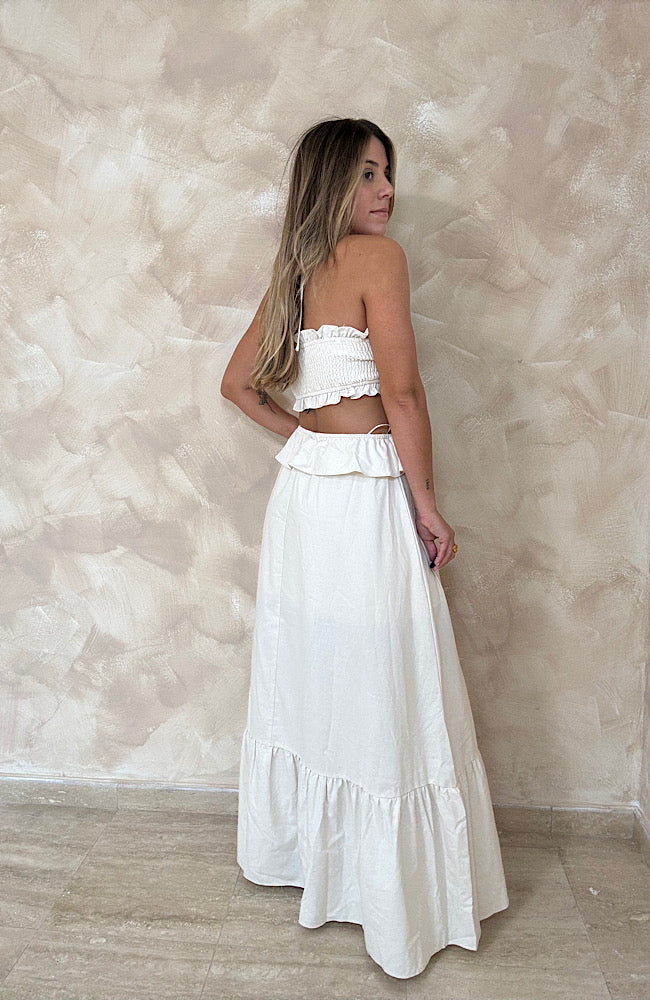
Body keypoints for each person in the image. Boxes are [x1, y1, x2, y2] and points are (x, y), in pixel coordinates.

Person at [221, 117, 509, 980]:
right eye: (369, 174)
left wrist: (310, 439)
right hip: (366, 495)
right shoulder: (379, 260)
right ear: (332, 183)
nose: (387, 191)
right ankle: (387, 892)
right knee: (384, 676)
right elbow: (405, 395)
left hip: (308, 498)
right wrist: (429, 505)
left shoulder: (298, 268)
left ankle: (315, 861)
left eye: (388, 172)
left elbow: (238, 385)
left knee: (321, 673)